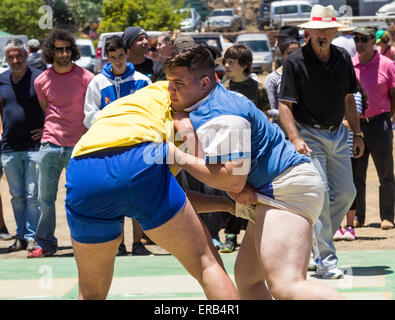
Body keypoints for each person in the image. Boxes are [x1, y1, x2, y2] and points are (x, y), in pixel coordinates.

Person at [165, 45, 344, 300]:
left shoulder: (225, 115)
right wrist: (183, 124)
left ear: (204, 83)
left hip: (286, 188)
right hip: (279, 187)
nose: (170, 89)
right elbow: (220, 170)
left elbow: (232, 181)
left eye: (178, 82)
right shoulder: (211, 101)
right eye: (169, 81)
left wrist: (176, 155)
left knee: (286, 285)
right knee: (249, 280)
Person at [64, 81, 239, 300]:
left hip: (84, 167)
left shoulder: (139, 104)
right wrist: (235, 191)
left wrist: (226, 205)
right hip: (140, 157)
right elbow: (168, 193)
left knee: (91, 293)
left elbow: (176, 197)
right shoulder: (188, 103)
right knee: (207, 265)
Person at [278, 4, 365, 279]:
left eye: (327, 29)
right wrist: (295, 138)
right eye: (317, 29)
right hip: (308, 135)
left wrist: (358, 133)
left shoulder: (342, 57)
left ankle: (316, 245)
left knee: (348, 193)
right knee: (322, 196)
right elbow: (284, 105)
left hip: (339, 133)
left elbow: (349, 98)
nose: (322, 33)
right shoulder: (295, 62)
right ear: (308, 32)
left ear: (334, 31)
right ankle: (326, 263)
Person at [28, 29, 95, 258]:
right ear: (50, 51)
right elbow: (47, 110)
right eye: (59, 49)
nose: (65, 53)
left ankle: (86, 243)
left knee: (82, 196)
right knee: (44, 198)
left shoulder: (87, 78)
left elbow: (91, 112)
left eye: (68, 49)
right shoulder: (41, 80)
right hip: (50, 145)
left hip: (79, 147)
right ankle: (45, 243)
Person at [83, 35, 152, 256]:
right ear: (107, 58)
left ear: (127, 54)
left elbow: (150, 112)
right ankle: (119, 244)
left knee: (139, 195)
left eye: (121, 56)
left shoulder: (142, 81)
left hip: (136, 147)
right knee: (116, 196)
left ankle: (138, 243)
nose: (118, 61)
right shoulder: (98, 82)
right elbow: (88, 115)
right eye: (113, 58)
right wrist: (110, 117)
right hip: (110, 148)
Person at [220, 43, 270, 252]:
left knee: (256, 191)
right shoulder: (222, 88)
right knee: (234, 189)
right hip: (232, 148)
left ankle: (258, 235)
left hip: (254, 147)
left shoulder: (258, 88)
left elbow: (266, 117)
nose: (226, 65)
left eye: (231, 61)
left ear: (245, 65)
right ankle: (231, 236)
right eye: (226, 61)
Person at [0, 39, 44, 253]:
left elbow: (52, 106)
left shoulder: (39, 78)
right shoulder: (1, 81)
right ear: (6, 58)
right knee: (16, 195)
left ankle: (32, 237)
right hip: (9, 146)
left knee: (32, 195)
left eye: (18, 56)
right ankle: (20, 236)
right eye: (11, 57)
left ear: (26, 55)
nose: (15, 60)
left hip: (35, 146)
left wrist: (46, 129)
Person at [352, 26, 395, 230]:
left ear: (373, 42)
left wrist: (387, 118)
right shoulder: (350, 65)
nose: (359, 43)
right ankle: (359, 216)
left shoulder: (387, 65)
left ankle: (387, 216)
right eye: (356, 39)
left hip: (380, 123)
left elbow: (394, 96)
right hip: (356, 125)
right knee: (356, 175)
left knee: (385, 173)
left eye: (363, 39)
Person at [333, 82, 367, 241]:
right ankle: (336, 226)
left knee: (350, 188)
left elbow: (353, 121)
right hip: (332, 149)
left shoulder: (355, 94)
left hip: (348, 150)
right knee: (333, 190)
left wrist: (331, 124)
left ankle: (350, 226)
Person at [265, 37, 300, 126]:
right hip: (282, 132)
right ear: (281, 54)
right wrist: (295, 114)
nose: (294, 56)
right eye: (289, 53)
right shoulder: (272, 79)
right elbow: (269, 110)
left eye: (297, 53)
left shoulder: (306, 75)